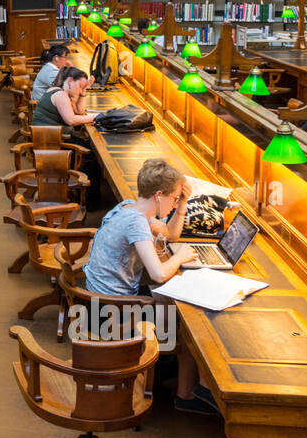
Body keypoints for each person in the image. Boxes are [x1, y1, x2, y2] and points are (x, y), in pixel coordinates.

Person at [82, 158, 216, 414]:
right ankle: (187, 395)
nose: (175, 201)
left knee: (167, 301)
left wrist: (183, 205)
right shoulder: (136, 223)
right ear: (158, 195)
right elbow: (157, 274)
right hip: (111, 311)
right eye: (174, 198)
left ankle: (163, 358)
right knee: (190, 319)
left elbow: (170, 234)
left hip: (98, 301)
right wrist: (180, 257)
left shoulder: (129, 207)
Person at [32, 66, 97, 135]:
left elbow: (79, 111)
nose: (80, 91)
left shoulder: (62, 92)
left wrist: (84, 90)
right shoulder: (61, 94)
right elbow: (71, 120)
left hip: (51, 136)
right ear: (70, 81)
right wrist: (96, 117)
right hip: (49, 140)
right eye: (80, 86)